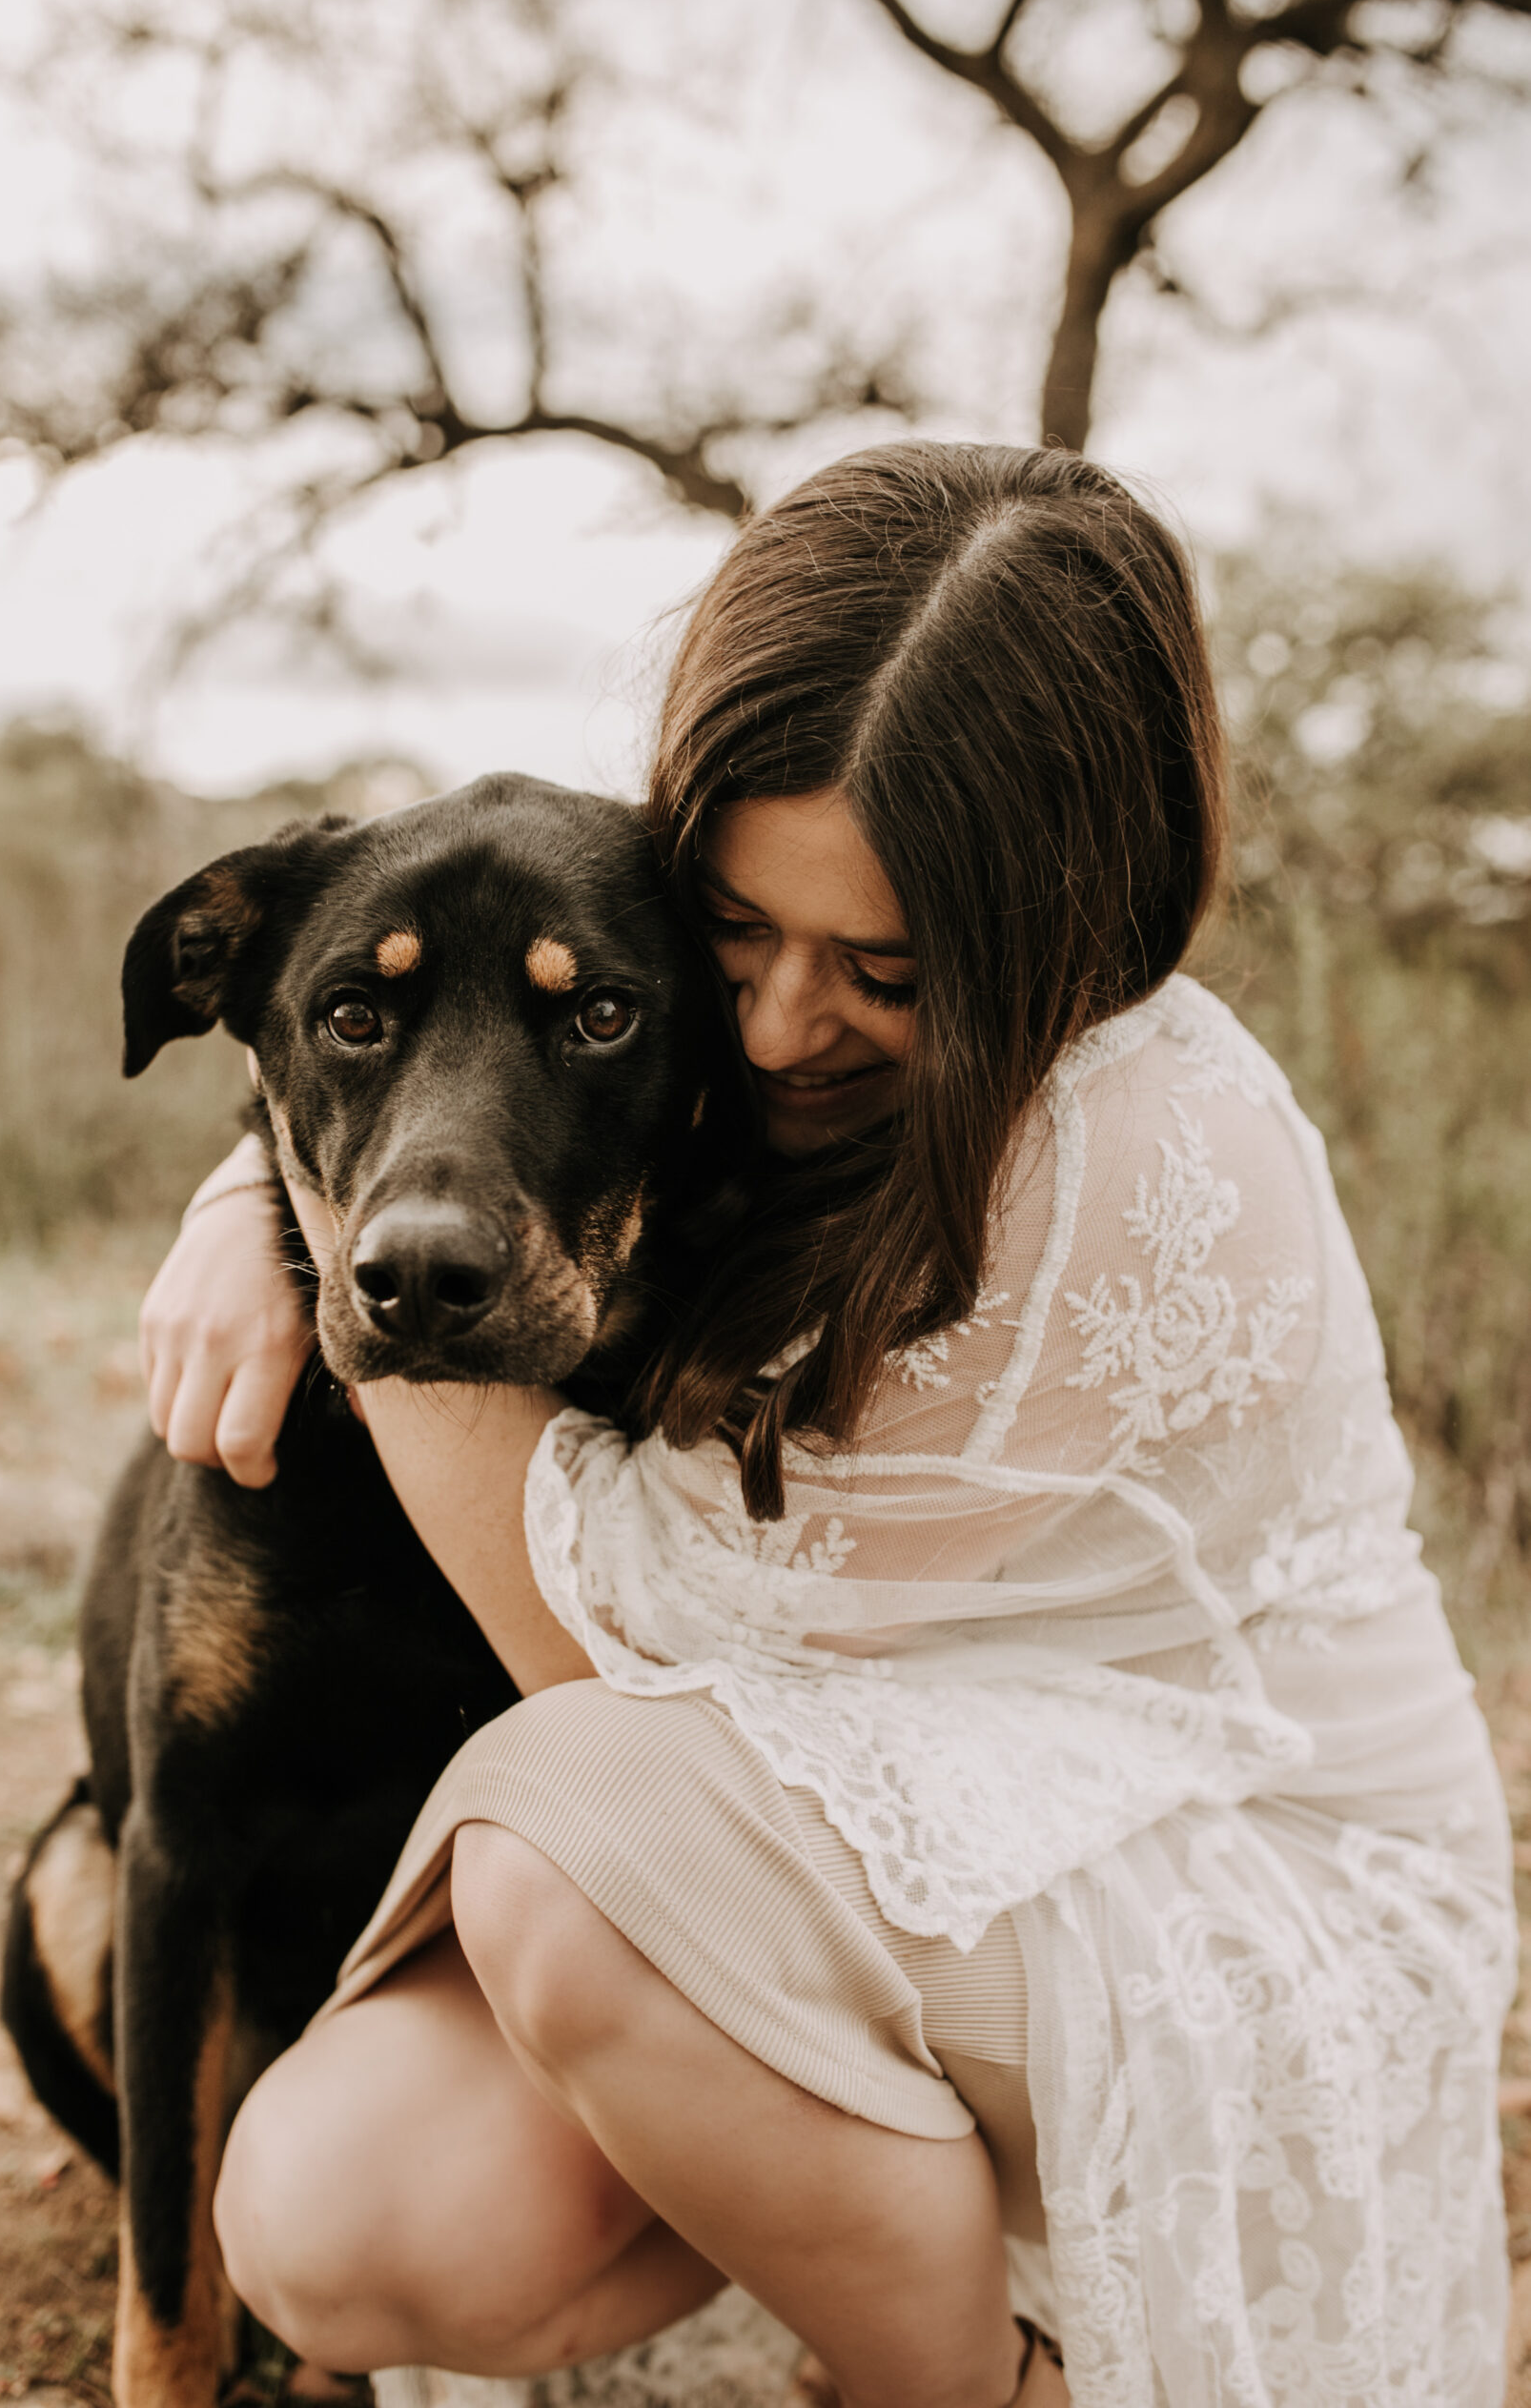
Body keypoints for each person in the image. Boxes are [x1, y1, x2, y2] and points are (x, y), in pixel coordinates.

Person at [139, 442, 1514, 2408]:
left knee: (566, 1840)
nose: (782, 1028)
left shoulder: (1130, 1147)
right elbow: (433, 1014)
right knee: (344, 2203)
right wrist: (273, 1189)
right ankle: (876, 2235)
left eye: (885, 969)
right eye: (733, 934)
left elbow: (608, 1665)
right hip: (874, 1855)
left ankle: (963, 2378)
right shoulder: (728, 1065)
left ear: (1068, 917)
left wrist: (328, 1229)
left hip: (1217, 1863)